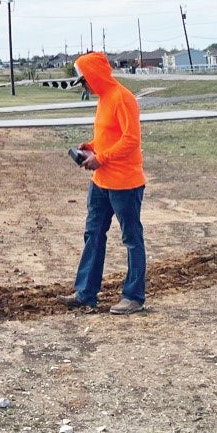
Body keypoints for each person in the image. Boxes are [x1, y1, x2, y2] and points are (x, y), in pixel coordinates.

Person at [58, 51, 147, 315]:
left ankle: (134, 297)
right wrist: (90, 148)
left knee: (132, 239)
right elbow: (109, 137)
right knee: (93, 234)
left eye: (83, 80)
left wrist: (102, 157)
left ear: (94, 76)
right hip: (101, 182)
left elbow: (131, 139)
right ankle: (85, 293)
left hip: (124, 184)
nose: (82, 85)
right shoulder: (104, 100)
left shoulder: (123, 98)